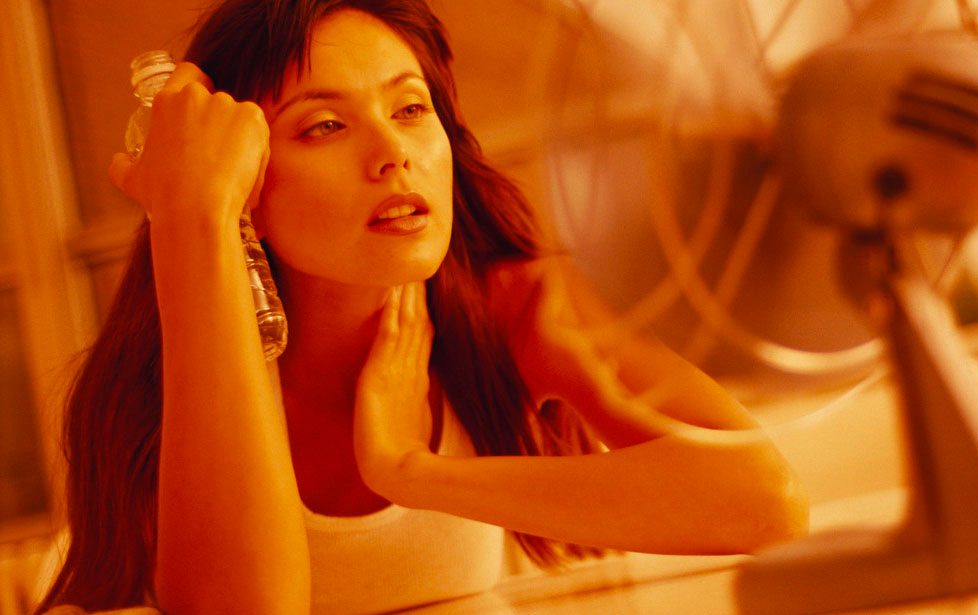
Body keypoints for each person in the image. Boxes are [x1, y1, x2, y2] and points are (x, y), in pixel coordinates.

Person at [36, 1, 807, 613]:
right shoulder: (166, 369)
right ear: (244, 184)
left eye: (409, 110)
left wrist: (411, 471)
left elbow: (765, 501)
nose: (391, 153)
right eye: (326, 125)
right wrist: (193, 218)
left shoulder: (516, 308)